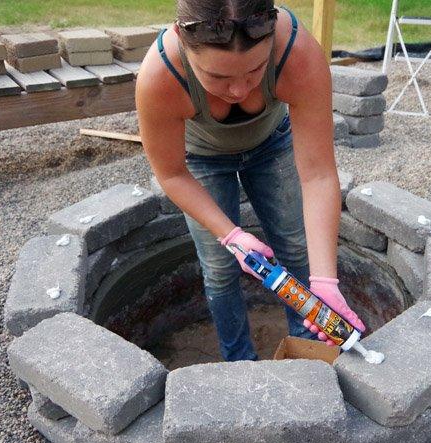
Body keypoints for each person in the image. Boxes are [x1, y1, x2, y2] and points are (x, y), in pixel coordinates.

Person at [136, 0, 366, 362]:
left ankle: (307, 353)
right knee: (219, 268)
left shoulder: (297, 53)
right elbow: (171, 173)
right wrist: (230, 235)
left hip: (272, 145)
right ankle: (239, 360)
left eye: (256, 70)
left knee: (296, 250)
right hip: (202, 161)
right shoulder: (159, 76)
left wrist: (325, 281)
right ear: (182, 38)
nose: (240, 90)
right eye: (218, 78)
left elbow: (319, 174)